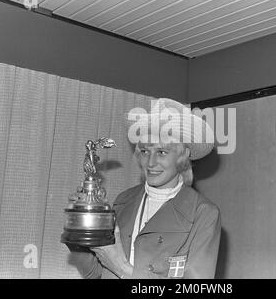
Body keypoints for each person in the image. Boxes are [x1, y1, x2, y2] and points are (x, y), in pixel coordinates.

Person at [68, 98, 221, 279]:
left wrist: (123, 269)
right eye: (145, 151)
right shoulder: (123, 201)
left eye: (161, 152)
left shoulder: (202, 214)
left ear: (183, 155)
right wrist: (77, 227)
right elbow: (94, 274)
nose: (150, 162)